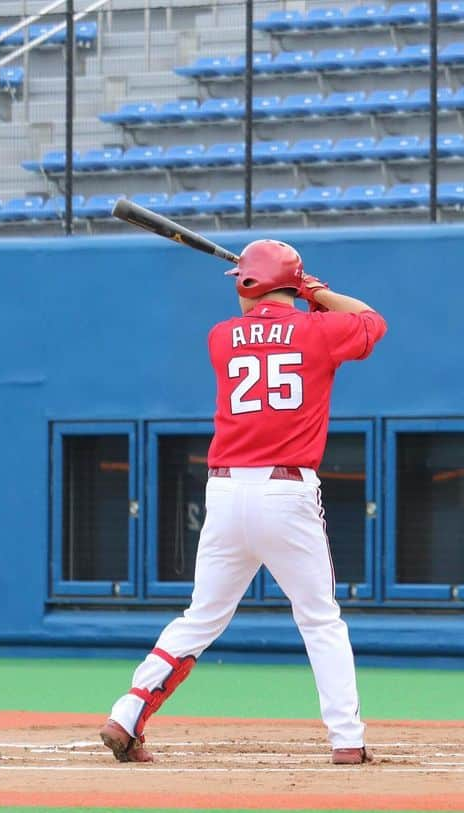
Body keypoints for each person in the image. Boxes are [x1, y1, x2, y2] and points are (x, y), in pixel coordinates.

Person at [99, 239, 387, 766]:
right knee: (320, 619)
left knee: (201, 616)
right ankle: (346, 740)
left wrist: (299, 294)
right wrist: (316, 292)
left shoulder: (220, 338)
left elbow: (269, 330)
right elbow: (372, 322)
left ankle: (128, 710)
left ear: (249, 283)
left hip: (226, 494)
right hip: (287, 493)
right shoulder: (319, 331)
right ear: (291, 285)